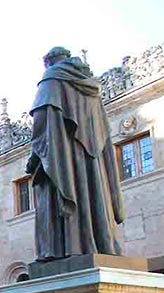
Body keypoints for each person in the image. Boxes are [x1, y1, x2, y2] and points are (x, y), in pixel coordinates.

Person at [26, 46, 124, 261]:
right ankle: (99, 242)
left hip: (62, 160)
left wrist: (34, 158)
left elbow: (42, 122)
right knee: (92, 197)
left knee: (55, 196)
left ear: (48, 62)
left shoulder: (51, 79)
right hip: (90, 161)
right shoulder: (91, 88)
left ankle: (62, 250)